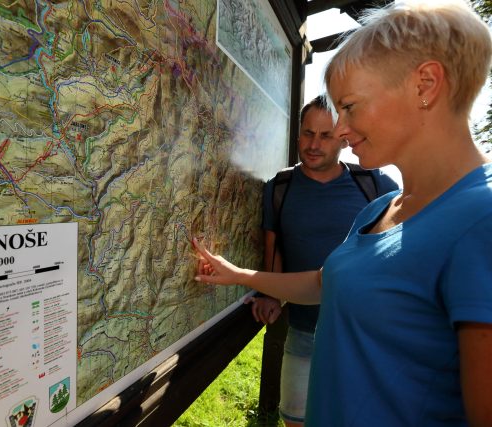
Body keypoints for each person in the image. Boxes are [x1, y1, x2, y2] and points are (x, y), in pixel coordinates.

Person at [193, 1, 492, 425]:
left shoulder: (482, 219)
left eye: (349, 107)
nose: (342, 130)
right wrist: (239, 275)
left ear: (425, 84)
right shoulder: (378, 208)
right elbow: (323, 283)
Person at [249, 95, 398, 426]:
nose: (313, 144)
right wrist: (270, 293)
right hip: (302, 330)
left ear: (343, 138)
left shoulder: (375, 184)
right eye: (307, 133)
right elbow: (274, 244)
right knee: (295, 419)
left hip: (361, 334)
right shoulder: (280, 187)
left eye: (325, 135)